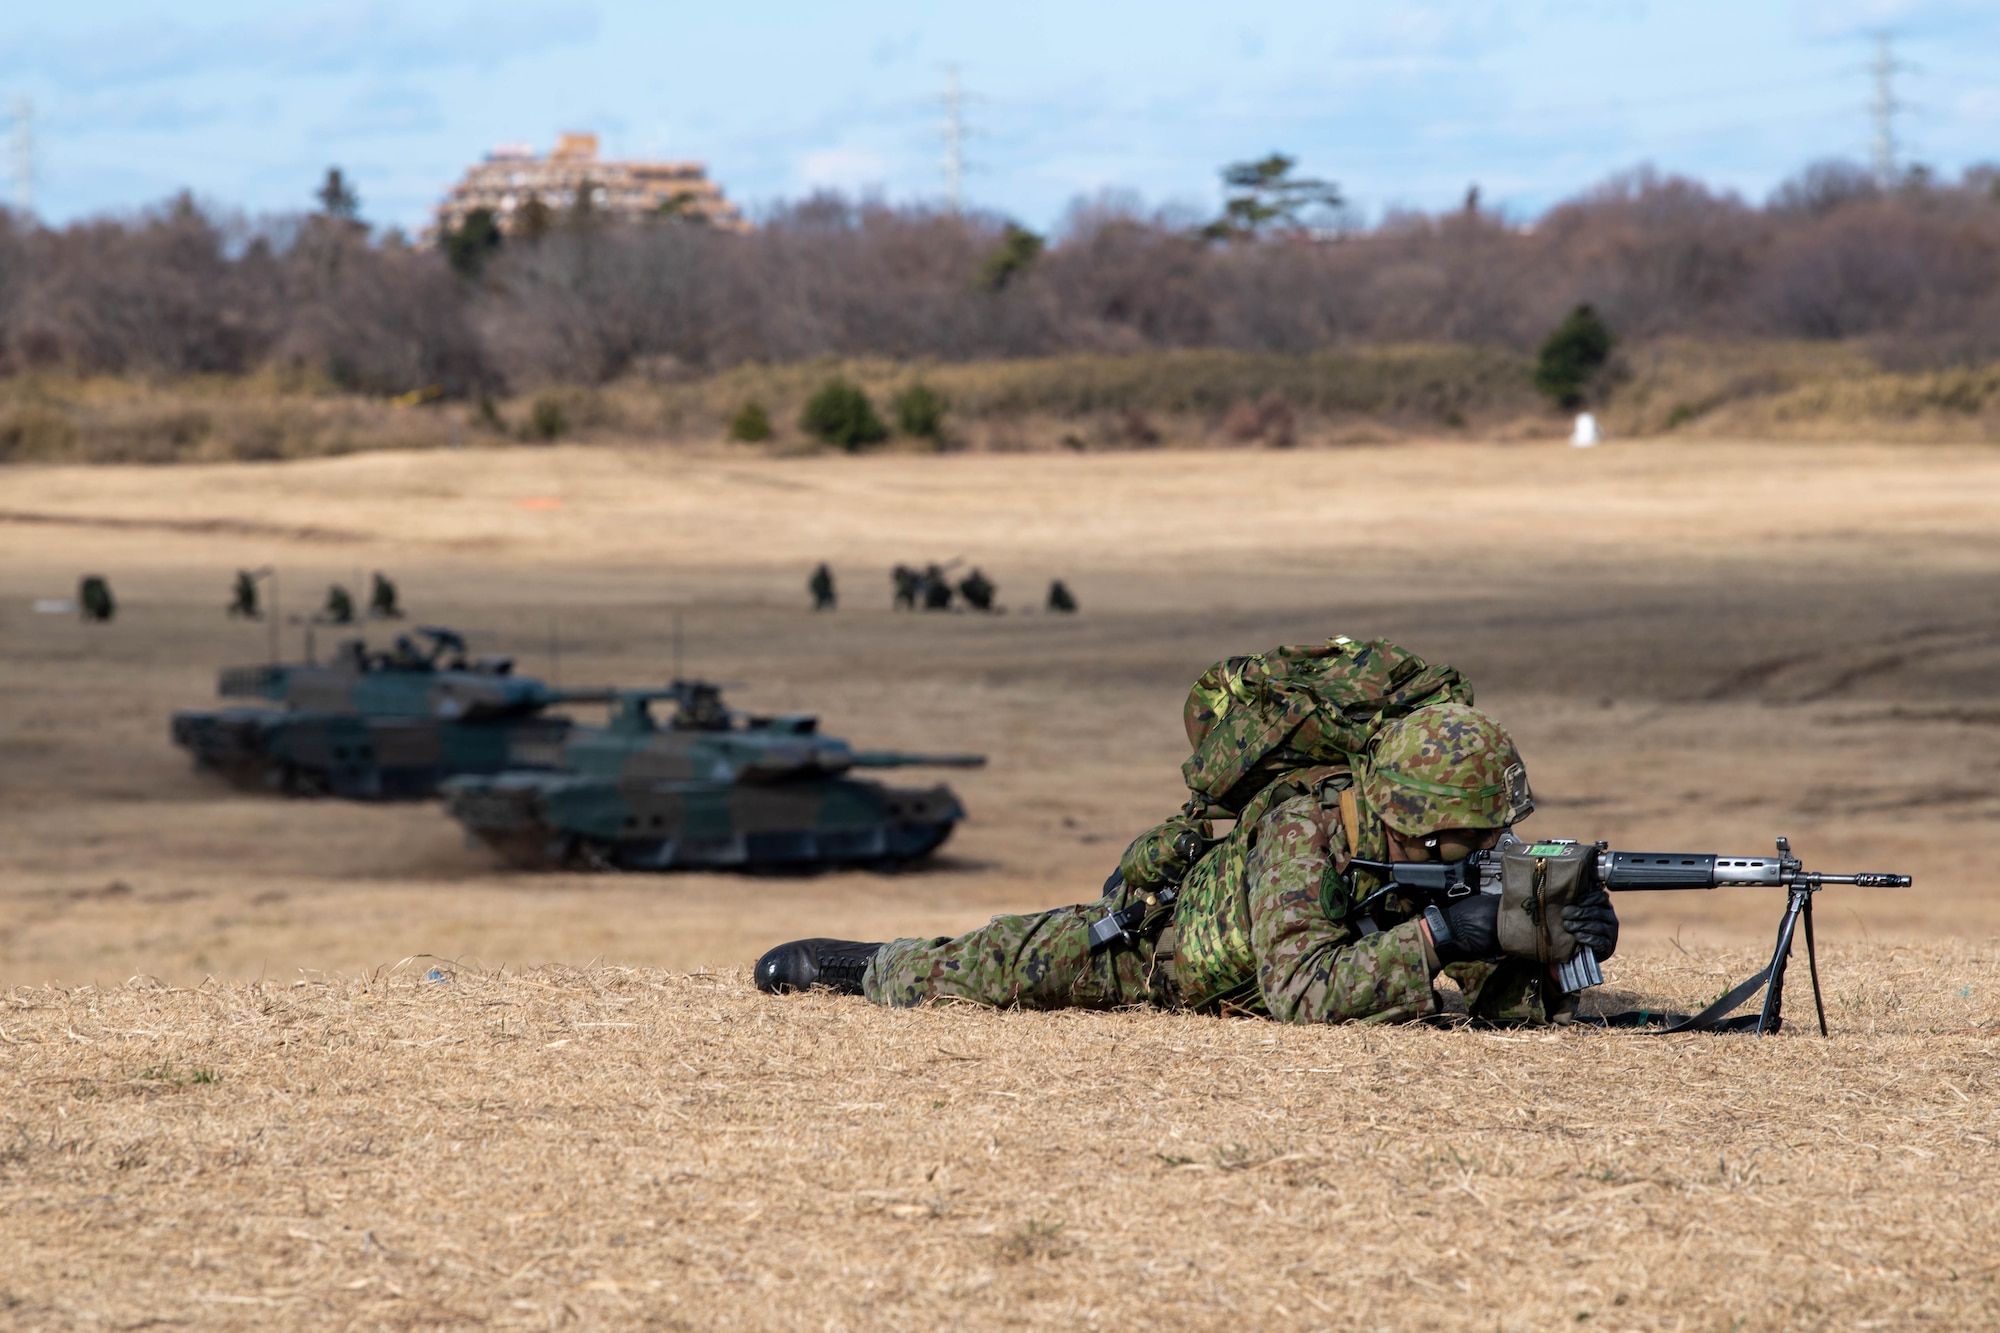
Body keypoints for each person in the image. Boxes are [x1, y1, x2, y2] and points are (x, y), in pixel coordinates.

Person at [755, 700, 1620, 1027]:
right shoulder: (1304, 835)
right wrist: (1442, 934)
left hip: (1243, 973)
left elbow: (1500, 1011)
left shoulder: (1429, 860)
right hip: (1152, 954)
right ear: (1414, 822)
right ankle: (860, 964)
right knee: (991, 964)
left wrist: (1552, 947)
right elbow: (1301, 991)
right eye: (1474, 838)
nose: (1489, 851)